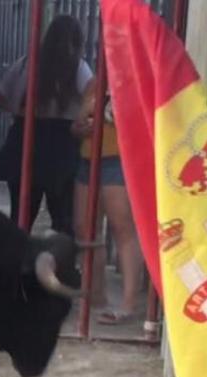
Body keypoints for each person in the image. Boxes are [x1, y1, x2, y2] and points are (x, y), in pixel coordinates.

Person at [0, 15, 93, 235]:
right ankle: (56, 265)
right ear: (78, 40)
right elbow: (93, 97)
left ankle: (16, 263)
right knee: (62, 219)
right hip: (62, 146)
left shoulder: (27, 63)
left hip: (25, 139)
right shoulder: (79, 68)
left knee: (21, 217)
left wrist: (22, 112)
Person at [72, 86, 143, 324]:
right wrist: (82, 127)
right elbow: (76, 126)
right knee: (85, 229)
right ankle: (96, 297)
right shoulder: (94, 84)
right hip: (87, 159)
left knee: (122, 228)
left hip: (119, 158)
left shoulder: (134, 77)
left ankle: (128, 304)